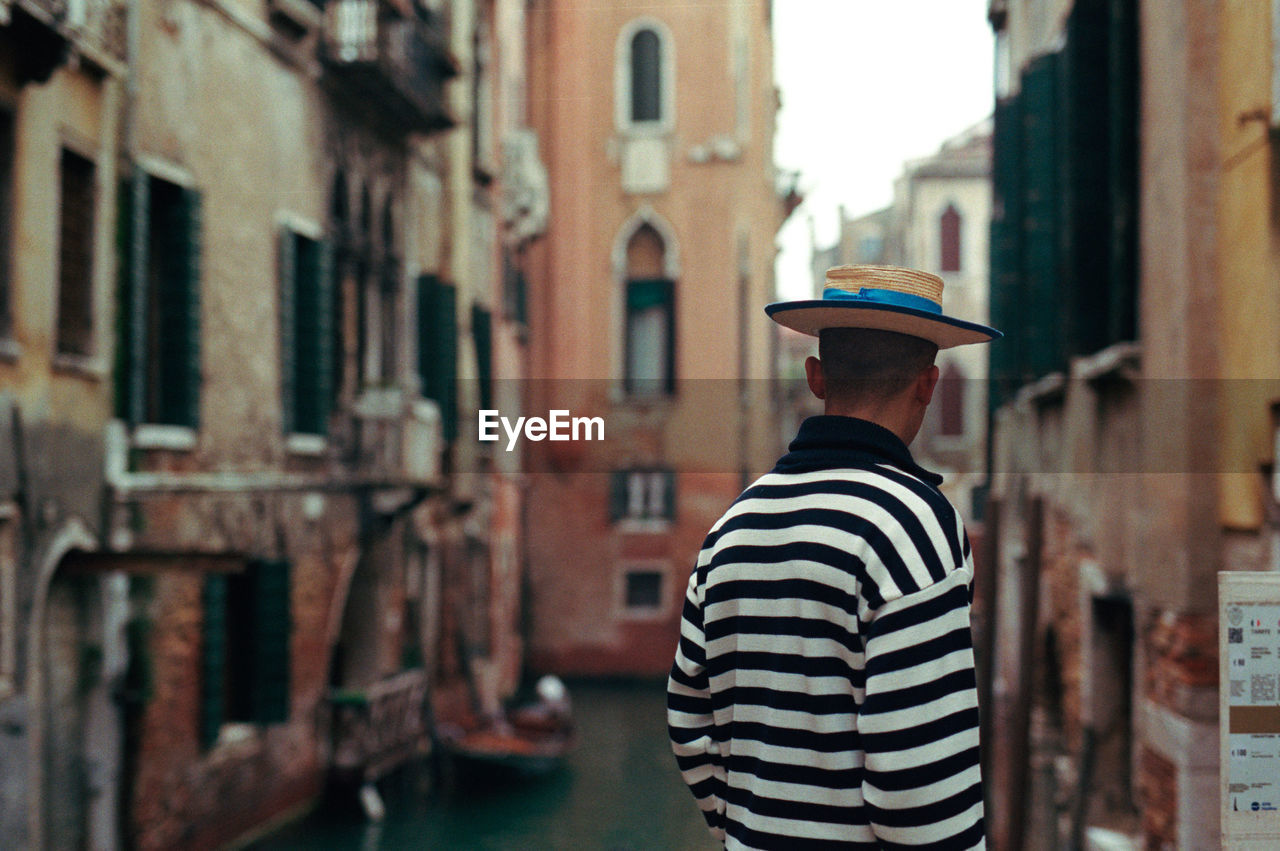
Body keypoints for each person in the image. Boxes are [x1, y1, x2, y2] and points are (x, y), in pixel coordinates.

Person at [667, 264, 1000, 849]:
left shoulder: (729, 530)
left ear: (816, 377)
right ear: (928, 384)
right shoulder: (914, 526)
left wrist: (747, 830)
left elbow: (688, 720)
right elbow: (920, 788)